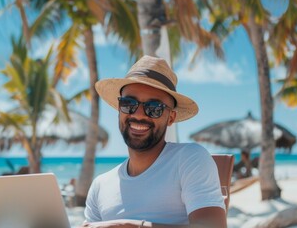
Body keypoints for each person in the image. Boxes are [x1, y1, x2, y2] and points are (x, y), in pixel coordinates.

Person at [80, 56, 227, 228]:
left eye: (154, 108)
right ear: (119, 109)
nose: (139, 114)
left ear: (171, 117)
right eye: (129, 103)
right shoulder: (100, 185)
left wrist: (131, 226)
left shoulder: (189, 159)